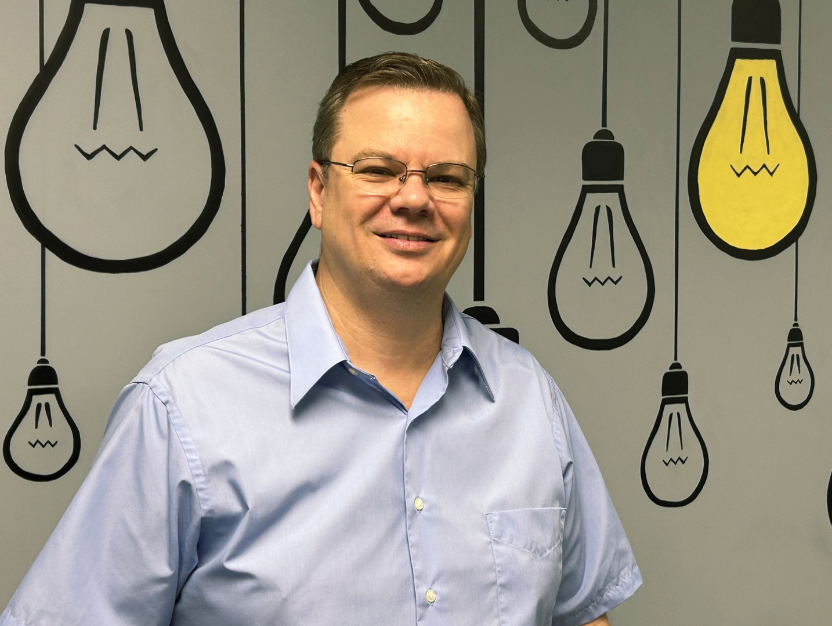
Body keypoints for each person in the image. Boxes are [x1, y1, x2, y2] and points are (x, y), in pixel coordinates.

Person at [1, 52, 641, 626]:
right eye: (378, 169)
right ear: (318, 190)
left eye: (447, 177)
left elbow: (582, 616)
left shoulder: (529, 398)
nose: (414, 199)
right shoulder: (182, 406)